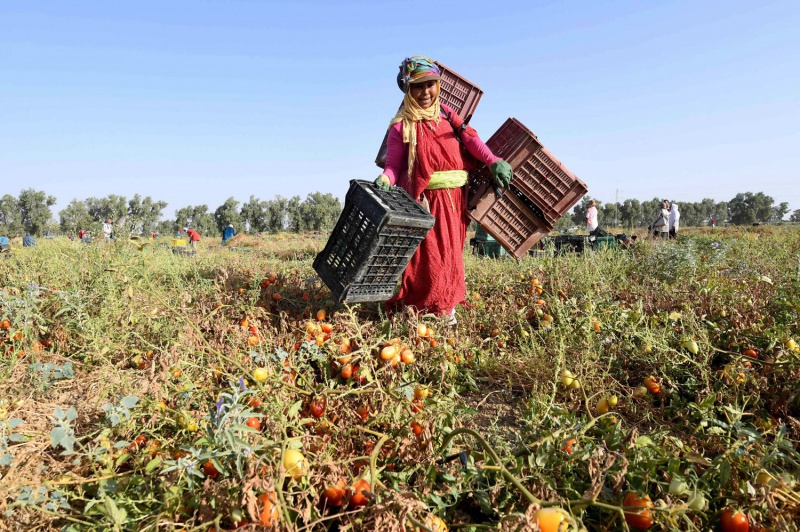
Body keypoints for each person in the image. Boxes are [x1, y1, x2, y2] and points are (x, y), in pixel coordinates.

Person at [374, 56, 513, 325]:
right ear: (408, 89)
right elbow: (393, 166)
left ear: (438, 85)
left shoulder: (448, 115)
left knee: (451, 258)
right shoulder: (401, 126)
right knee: (427, 261)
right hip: (423, 203)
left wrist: (492, 160)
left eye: (430, 84)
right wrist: (385, 179)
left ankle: (447, 310)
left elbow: (472, 141)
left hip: (454, 203)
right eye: (417, 86)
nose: (425, 92)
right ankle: (420, 312)